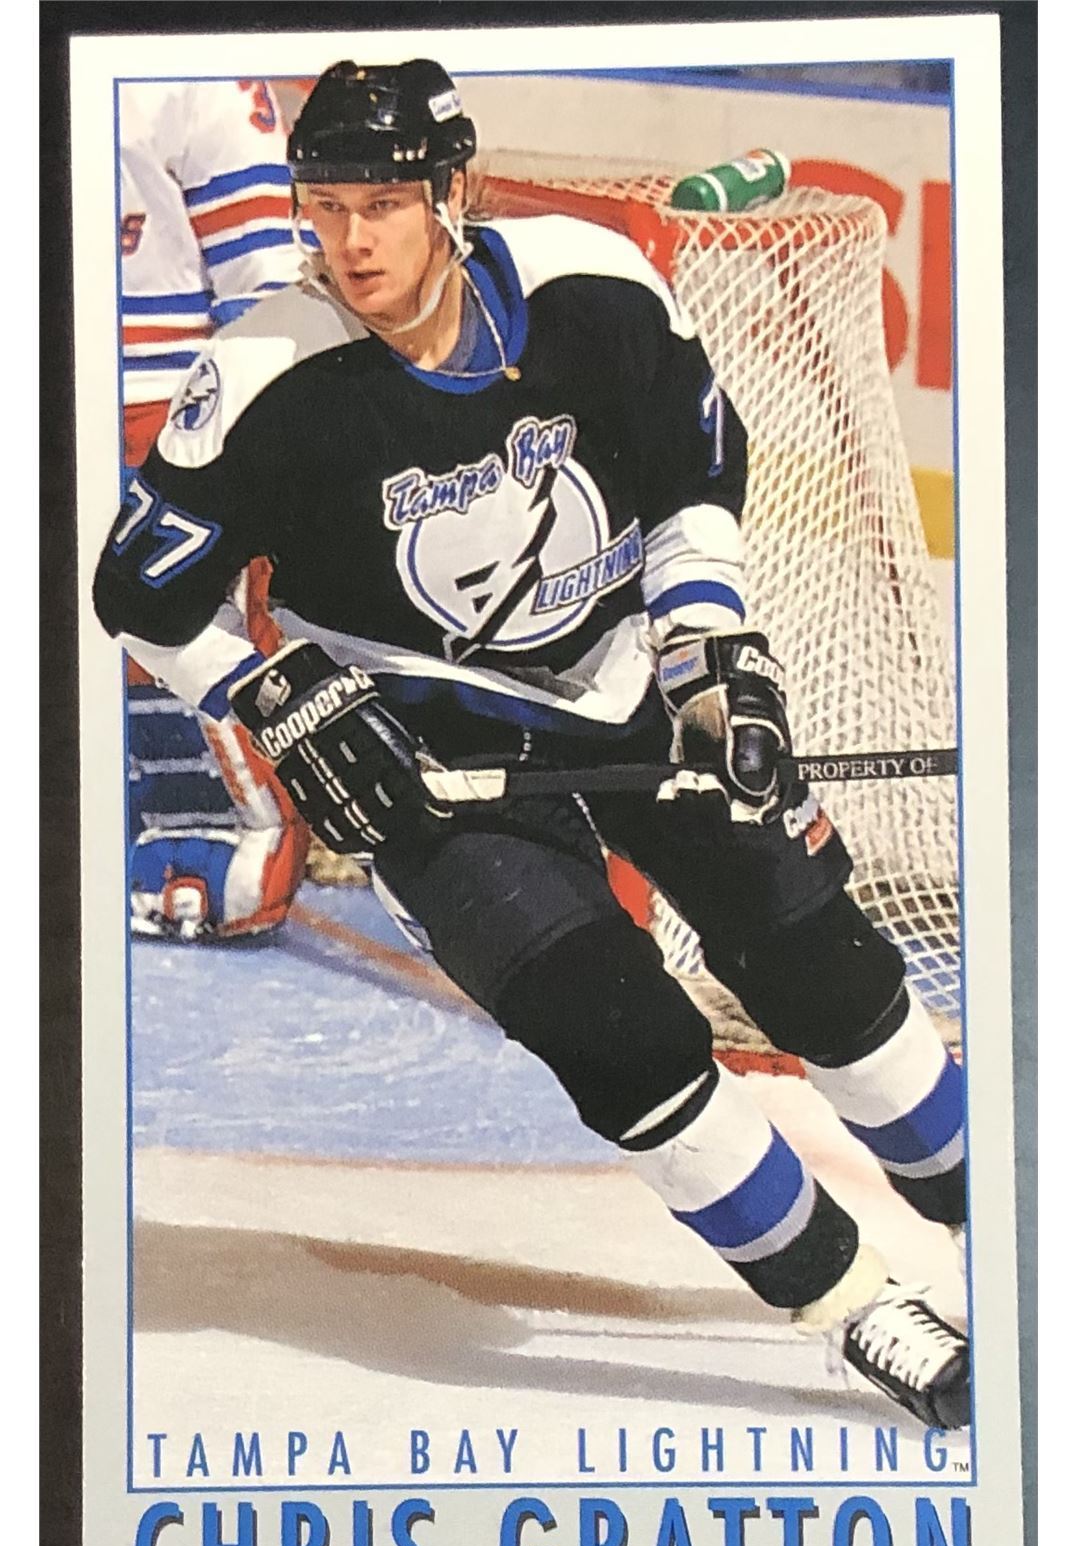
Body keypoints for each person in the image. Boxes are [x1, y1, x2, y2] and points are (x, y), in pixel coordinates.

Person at [95, 57, 969, 1425]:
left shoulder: (591, 285)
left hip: (627, 682)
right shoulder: (265, 371)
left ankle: (1006, 1224)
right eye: (325, 207)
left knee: (827, 971)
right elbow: (141, 594)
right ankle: (857, 1305)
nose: (350, 242)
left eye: (382, 205)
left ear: (455, 193)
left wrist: (711, 646)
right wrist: (278, 698)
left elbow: (691, 477)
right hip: (427, 758)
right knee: (616, 1035)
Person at [119, 78, 315, 940]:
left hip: (158, 405)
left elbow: (260, 276)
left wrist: (254, 439)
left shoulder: (190, 72)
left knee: (174, 631)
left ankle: (217, 842)